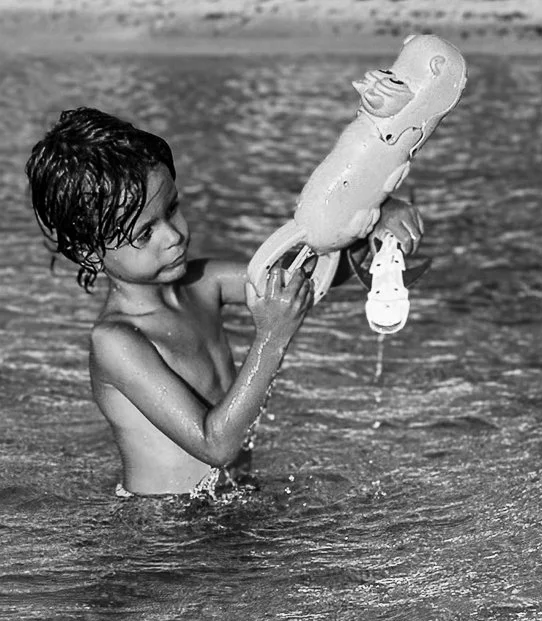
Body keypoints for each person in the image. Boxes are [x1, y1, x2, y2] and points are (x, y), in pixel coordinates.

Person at [24, 108, 423, 500]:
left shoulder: (203, 282)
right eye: (145, 233)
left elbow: (302, 277)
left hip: (224, 506)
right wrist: (272, 337)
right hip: (161, 534)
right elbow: (215, 446)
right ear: (89, 253)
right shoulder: (116, 341)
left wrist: (373, 222)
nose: (173, 235)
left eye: (172, 209)